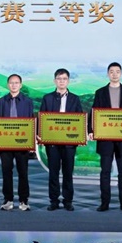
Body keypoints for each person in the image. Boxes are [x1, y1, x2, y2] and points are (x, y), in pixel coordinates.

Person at [89, 62, 122, 212]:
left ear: (121, 74)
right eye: (111, 71)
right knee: (105, 172)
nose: (114, 74)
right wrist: (90, 129)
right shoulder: (100, 92)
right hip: (105, 137)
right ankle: (104, 203)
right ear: (108, 74)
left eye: (117, 71)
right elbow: (93, 112)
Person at [39, 68, 83, 211]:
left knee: (68, 172)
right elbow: (42, 118)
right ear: (55, 81)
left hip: (69, 142)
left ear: (68, 81)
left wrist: (81, 136)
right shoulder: (47, 98)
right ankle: (54, 200)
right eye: (59, 79)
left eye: (64, 79)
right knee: (53, 172)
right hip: (52, 141)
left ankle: (68, 200)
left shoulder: (75, 99)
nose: (61, 81)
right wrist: (40, 134)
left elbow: (80, 119)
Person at [0, 74, 34, 212]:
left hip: (22, 143)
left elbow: (31, 121)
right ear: (7, 85)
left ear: (20, 85)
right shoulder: (1, 101)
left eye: (17, 83)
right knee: (6, 172)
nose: (14, 85)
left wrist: (31, 142)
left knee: (23, 172)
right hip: (5, 143)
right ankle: (8, 200)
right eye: (11, 82)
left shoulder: (28, 102)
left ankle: (24, 200)